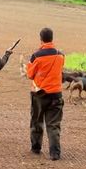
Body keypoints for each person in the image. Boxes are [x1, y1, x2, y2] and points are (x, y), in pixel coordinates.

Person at [26, 28, 65, 160]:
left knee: (37, 121)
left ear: (41, 38)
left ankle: (36, 148)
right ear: (52, 38)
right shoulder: (61, 55)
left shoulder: (36, 55)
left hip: (39, 94)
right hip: (56, 93)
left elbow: (30, 74)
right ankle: (55, 153)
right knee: (53, 124)